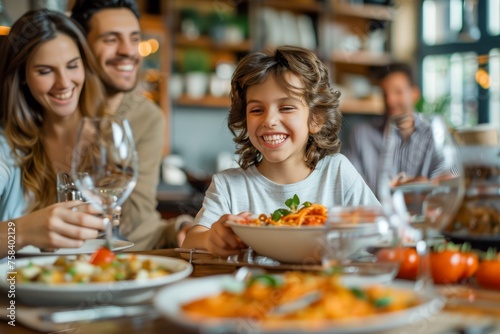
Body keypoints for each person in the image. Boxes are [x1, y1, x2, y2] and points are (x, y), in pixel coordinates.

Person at [182, 46, 379, 257]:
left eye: (286, 107)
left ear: (316, 119)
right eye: (257, 110)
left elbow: (382, 233)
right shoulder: (228, 186)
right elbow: (190, 243)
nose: (269, 121)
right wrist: (211, 239)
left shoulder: (337, 172)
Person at [70, 0, 193, 250]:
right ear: (81, 47)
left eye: (134, 38)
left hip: (127, 254)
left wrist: (179, 229)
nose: (129, 51)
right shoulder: (59, 107)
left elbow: (135, 220)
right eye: (111, 39)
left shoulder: (148, 117)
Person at [0, 9, 107, 258]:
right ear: (23, 77)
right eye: (45, 71)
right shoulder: (6, 146)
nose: (63, 82)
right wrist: (23, 231)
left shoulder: (111, 136)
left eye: (72, 66)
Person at [347, 62, 438, 194]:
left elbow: (445, 182)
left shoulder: (434, 135)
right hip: (375, 212)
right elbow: (350, 185)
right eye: (385, 93)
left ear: (415, 94)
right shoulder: (361, 133)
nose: (390, 100)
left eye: (398, 92)